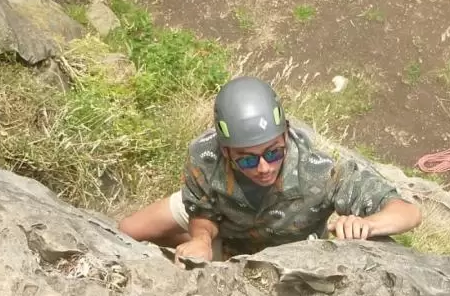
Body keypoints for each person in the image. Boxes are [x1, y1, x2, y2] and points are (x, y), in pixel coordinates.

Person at [118, 77, 422, 264]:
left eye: (274, 152)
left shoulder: (320, 168)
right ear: (226, 151)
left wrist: (367, 225)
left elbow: (408, 212)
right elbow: (202, 210)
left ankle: (220, 255)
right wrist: (200, 239)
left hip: (282, 243)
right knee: (127, 232)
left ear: (286, 133)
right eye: (248, 159)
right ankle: (209, 250)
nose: (264, 167)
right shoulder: (205, 154)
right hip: (223, 216)